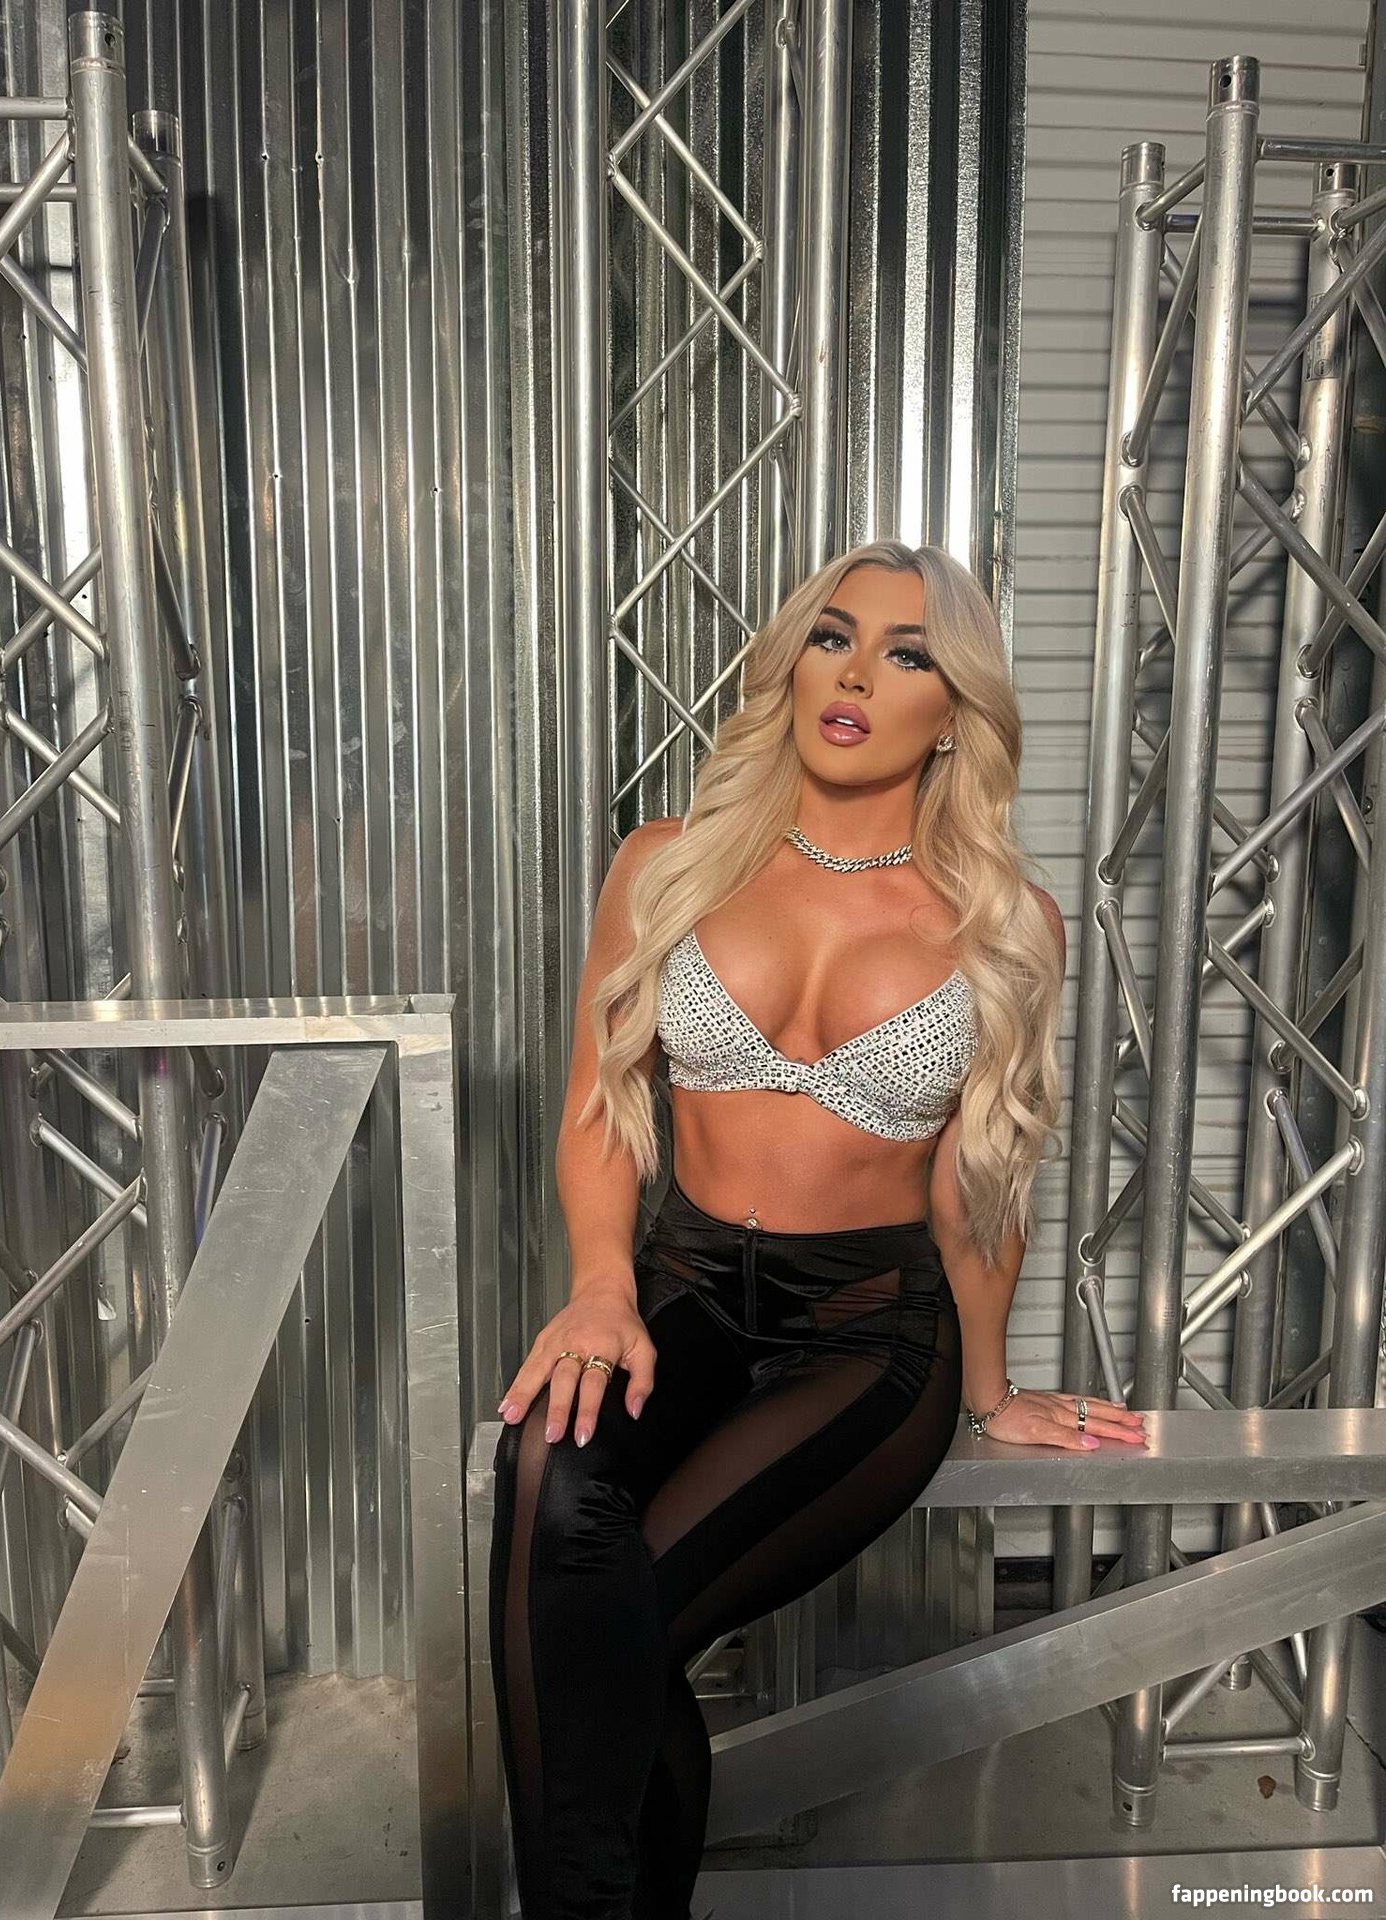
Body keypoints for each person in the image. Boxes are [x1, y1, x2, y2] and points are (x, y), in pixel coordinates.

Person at [488, 539, 1148, 1919]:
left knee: (598, 1623)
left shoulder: (1006, 927)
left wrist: (991, 1390)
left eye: (907, 655)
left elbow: (978, 1187)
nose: (854, 676)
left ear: (953, 711)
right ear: (790, 663)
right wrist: (601, 1284)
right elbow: (602, 1105)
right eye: (832, 638)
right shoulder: (667, 866)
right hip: (679, 1285)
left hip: (865, 1333)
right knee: (546, 1471)